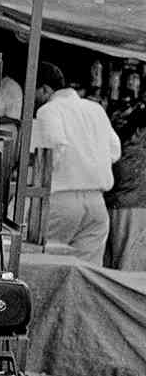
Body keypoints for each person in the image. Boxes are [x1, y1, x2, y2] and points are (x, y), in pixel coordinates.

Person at [31, 62, 122, 265]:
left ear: (45, 89)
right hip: (97, 203)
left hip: (62, 201)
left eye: (35, 92)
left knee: (47, 266)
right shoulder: (96, 109)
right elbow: (115, 151)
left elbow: (55, 148)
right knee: (87, 272)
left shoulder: (48, 110)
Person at [106, 104, 146, 270]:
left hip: (122, 209)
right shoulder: (133, 154)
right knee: (129, 264)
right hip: (129, 212)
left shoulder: (121, 151)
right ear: (139, 131)